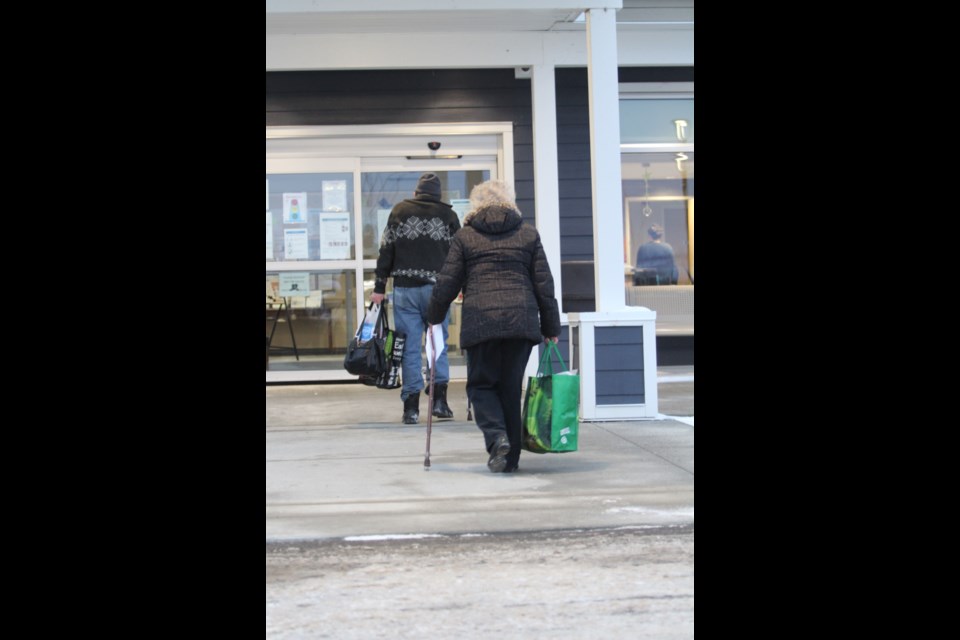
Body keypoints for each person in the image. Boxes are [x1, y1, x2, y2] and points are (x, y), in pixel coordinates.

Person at [426, 180, 561, 473]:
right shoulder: (527, 234)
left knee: (481, 386)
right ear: (510, 201)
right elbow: (544, 284)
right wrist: (552, 326)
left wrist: (433, 316)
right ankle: (509, 461)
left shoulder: (466, 236)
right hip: (521, 323)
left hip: (481, 322)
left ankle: (497, 436)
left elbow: (447, 282)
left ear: (476, 205)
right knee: (510, 389)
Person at [371, 172, 461, 425]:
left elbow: (386, 249)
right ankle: (440, 402)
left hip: (406, 290)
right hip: (438, 291)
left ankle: (411, 408)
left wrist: (379, 286)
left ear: (416, 193)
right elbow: (458, 255)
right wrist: (460, 284)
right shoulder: (449, 216)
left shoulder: (400, 211)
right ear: (438, 195)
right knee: (437, 344)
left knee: (410, 348)